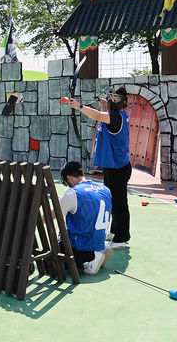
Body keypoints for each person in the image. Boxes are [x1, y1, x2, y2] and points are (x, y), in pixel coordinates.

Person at [69, 86, 131, 249]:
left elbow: (97, 116)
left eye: (116, 98)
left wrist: (79, 106)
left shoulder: (117, 117)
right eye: (112, 97)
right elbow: (103, 116)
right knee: (115, 201)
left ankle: (121, 238)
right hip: (115, 166)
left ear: (123, 101)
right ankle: (116, 232)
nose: (112, 100)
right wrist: (104, 108)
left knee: (119, 203)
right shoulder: (117, 116)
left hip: (118, 167)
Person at [58, 161, 114, 275]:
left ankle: (89, 259)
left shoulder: (73, 192)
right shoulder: (105, 189)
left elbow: (51, 215)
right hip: (98, 240)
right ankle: (98, 251)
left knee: (52, 263)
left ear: (69, 178)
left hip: (80, 243)